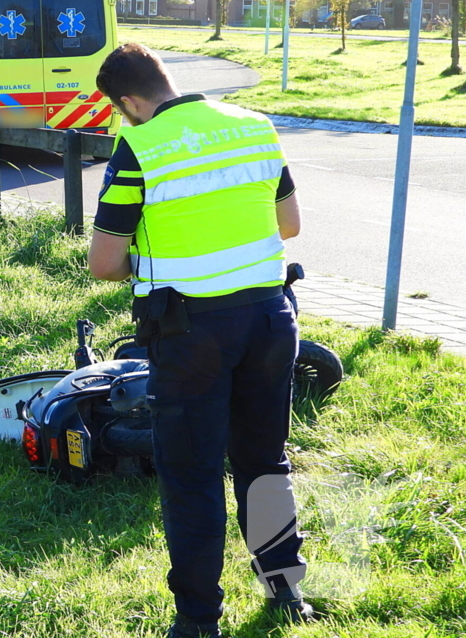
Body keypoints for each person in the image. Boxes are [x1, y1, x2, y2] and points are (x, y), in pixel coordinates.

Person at [87, 42, 311, 638]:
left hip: (190, 334)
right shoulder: (255, 127)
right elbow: (288, 226)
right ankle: (286, 590)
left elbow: (105, 262)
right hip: (270, 319)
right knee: (265, 462)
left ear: (129, 102)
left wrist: (156, 259)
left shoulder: (139, 146)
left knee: (191, 475)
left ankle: (197, 622)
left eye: (119, 109)